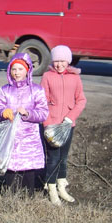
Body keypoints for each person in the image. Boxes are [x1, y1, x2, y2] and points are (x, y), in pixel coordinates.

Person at [0, 53, 49, 195]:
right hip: (10, 137)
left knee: (28, 169)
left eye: (20, 69)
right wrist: (2, 113)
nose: (16, 73)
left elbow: (43, 113)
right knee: (10, 168)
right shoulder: (5, 90)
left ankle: (27, 198)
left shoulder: (36, 90)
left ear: (27, 70)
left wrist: (28, 113)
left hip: (29, 137)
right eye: (14, 69)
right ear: (9, 71)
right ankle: (11, 197)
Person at [41, 45, 87, 205]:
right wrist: (47, 124)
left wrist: (70, 117)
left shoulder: (75, 78)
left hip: (68, 125)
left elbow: (81, 100)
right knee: (53, 158)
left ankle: (62, 187)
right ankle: (51, 189)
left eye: (62, 61)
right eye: (56, 61)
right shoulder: (47, 76)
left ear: (68, 61)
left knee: (64, 157)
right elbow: (42, 101)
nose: (59, 64)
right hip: (52, 125)